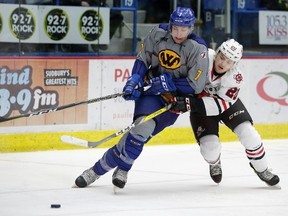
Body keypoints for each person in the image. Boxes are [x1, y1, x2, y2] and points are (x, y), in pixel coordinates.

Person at [74, 7, 209, 189]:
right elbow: (143, 59)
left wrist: (169, 83)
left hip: (173, 103)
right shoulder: (158, 33)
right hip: (151, 93)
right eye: (175, 28)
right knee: (140, 131)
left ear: (190, 28)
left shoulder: (198, 48)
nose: (178, 33)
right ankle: (122, 169)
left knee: (134, 138)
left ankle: (96, 170)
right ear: (170, 25)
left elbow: (196, 85)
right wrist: (134, 79)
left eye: (183, 29)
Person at [170, 39, 280, 186]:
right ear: (217, 53)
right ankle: (215, 162)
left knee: (250, 135)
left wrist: (190, 103)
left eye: (229, 62)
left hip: (224, 105)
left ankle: (262, 168)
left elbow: (221, 105)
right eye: (222, 57)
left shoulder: (235, 78)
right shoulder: (203, 57)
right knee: (210, 149)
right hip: (201, 109)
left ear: (234, 64)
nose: (223, 63)